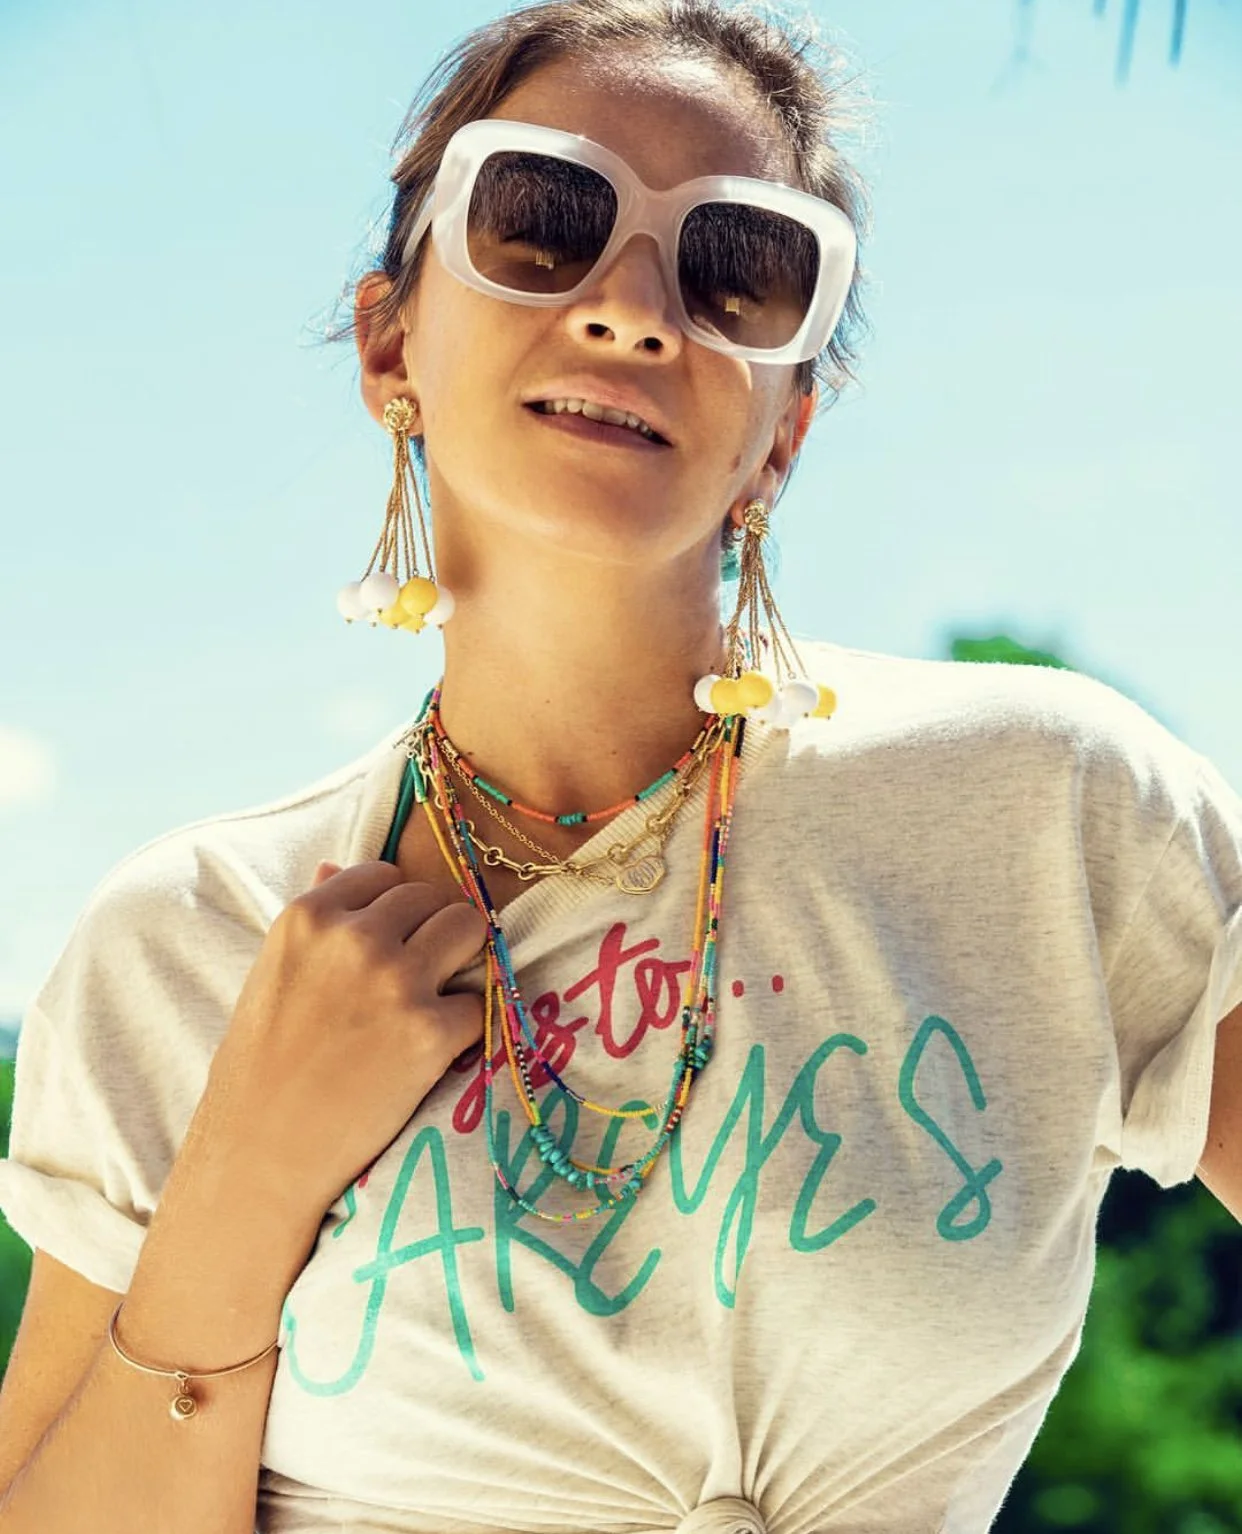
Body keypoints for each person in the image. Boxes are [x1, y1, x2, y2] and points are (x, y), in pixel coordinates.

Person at [1, 1, 1239, 1531]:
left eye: (740, 270)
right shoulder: (186, 942)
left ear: (782, 430)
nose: (638, 307)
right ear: (391, 341)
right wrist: (241, 1190)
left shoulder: (1041, 807)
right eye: (540, 221)